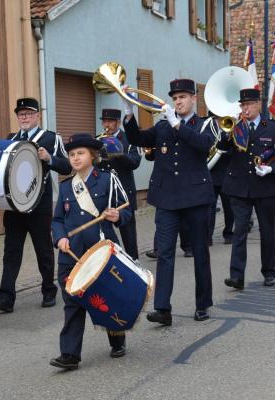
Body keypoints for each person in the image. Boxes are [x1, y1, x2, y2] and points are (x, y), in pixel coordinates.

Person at [123, 79, 215, 325]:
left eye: (183, 97)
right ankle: (163, 308)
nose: (178, 102)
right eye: (175, 98)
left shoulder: (205, 124)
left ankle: (203, 303)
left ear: (194, 98)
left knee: (199, 252)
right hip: (166, 199)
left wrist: (177, 124)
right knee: (164, 253)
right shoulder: (162, 126)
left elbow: (203, 145)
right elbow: (139, 139)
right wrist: (129, 113)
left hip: (195, 199)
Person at [50, 133, 131, 370]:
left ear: (93, 156)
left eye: (80, 153)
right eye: (72, 154)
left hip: (101, 251)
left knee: (107, 297)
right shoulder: (66, 187)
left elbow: (126, 209)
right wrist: (60, 238)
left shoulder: (108, 179)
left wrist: (118, 215)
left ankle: (117, 338)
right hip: (71, 253)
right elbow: (57, 219)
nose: (75, 158)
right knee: (72, 300)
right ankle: (70, 354)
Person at [0, 97, 72, 313]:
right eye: (20, 114)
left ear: (37, 116)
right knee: (11, 252)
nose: (24, 117)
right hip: (14, 206)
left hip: (39, 204)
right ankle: (5, 298)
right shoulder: (10, 139)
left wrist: (49, 158)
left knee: (43, 249)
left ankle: (49, 290)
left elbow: (66, 167)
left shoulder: (51, 138)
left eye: (28, 113)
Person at [221, 88, 275, 289]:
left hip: (265, 187)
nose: (245, 108)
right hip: (239, 187)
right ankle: (237, 276)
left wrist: (270, 168)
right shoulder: (236, 127)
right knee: (239, 231)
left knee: (268, 231)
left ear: (258, 104)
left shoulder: (270, 127)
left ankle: (269, 271)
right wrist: (229, 130)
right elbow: (222, 147)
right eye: (242, 105)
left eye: (249, 104)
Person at [96, 108, 141, 260]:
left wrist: (119, 153)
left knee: (129, 237)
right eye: (105, 121)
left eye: (110, 121)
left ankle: (134, 263)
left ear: (118, 122)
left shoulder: (129, 138)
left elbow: (135, 162)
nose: (107, 124)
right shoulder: (98, 140)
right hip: (104, 194)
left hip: (124, 193)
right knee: (105, 234)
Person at [204, 114, 234, 245]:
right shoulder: (208, 127)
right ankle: (208, 236)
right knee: (210, 208)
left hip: (227, 174)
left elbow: (237, 149)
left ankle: (228, 233)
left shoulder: (233, 126)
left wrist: (223, 152)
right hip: (211, 173)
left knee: (229, 208)